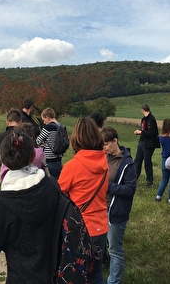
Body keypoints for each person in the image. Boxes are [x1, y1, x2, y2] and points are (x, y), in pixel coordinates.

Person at [0, 130, 59, 283]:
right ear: (32, 156)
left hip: (20, 277)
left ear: (2, 158)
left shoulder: (3, 202)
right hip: (52, 274)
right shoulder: (51, 186)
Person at [58, 117, 109, 284]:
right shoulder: (104, 163)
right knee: (97, 274)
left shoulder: (72, 166)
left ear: (76, 139)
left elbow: (59, 194)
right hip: (100, 225)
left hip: (79, 229)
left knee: (76, 276)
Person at [101, 127, 137, 284]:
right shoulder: (103, 157)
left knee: (114, 250)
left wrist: (108, 186)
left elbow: (130, 189)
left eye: (106, 144)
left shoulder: (128, 164)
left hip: (116, 211)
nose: (104, 148)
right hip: (100, 208)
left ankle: (113, 282)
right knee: (101, 246)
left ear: (115, 141)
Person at [133, 104, 160, 188]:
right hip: (142, 141)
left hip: (149, 144)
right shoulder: (144, 119)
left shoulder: (151, 119)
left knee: (147, 162)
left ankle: (149, 181)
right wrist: (140, 131)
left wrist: (141, 132)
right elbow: (145, 130)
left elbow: (152, 132)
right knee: (137, 161)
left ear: (142, 110)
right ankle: (134, 179)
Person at [36, 107, 62, 179]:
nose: (44, 122)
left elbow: (37, 141)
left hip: (49, 161)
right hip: (59, 160)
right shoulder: (61, 127)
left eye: (44, 120)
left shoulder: (47, 128)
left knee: (48, 184)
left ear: (47, 117)